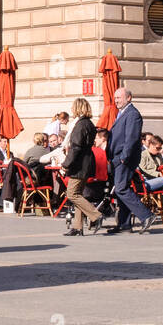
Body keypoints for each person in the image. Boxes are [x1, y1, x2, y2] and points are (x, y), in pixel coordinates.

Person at [105, 87, 153, 234]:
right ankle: (125, 224)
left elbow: (131, 138)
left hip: (124, 158)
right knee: (120, 190)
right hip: (117, 158)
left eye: (119, 97)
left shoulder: (133, 114)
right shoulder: (122, 113)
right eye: (115, 98)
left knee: (121, 189)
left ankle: (146, 215)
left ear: (129, 98)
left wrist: (123, 158)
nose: (116, 100)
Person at [62, 97, 103, 238]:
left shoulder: (80, 125)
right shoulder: (89, 123)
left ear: (78, 108)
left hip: (79, 164)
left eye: (73, 107)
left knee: (72, 194)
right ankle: (78, 227)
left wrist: (66, 163)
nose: (72, 110)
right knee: (78, 194)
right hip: (86, 162)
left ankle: (96, 215)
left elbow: (76, 147)